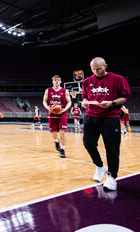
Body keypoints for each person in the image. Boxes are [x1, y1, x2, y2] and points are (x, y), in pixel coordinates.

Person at [82, 57, 131, 191]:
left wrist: (111, 103)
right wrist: (85, 102)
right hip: (91, 116)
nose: (96, 71)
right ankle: (100, 167)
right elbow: (85, 96)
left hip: (110, 117)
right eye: (93, 69)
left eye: (99, 69)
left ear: (106, 66)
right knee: (88, 144)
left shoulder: (118, 79)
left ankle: (112, 177)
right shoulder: (87, 81)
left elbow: (125, 96)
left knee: (112, 149)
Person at [43, 75, 72, 158]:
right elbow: (44, 101)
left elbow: (69, 102)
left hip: (62, 112)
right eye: (55, 80)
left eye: (58, 80)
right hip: (52, 113)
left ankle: (62, 149)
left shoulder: (65, 91)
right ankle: (56, 141)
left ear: (60, 81)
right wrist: (47, 107)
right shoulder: (48, 90)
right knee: (53, 133)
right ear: (52, 81)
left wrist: (65, 109)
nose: (56, 81)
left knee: (63, 131)